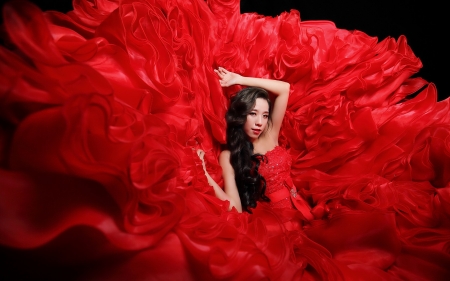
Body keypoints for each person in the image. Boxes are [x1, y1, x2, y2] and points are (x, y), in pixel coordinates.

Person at [1, 0, 450, 280]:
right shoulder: (231, 155)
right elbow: (235, 206)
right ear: (240, 119)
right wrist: (204, 174)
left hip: (312, 214)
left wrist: (239, 77)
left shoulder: (272, 137)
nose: (259, 120)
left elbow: (285, 90)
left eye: (262, 114)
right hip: (282, 230)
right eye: (251, 114)